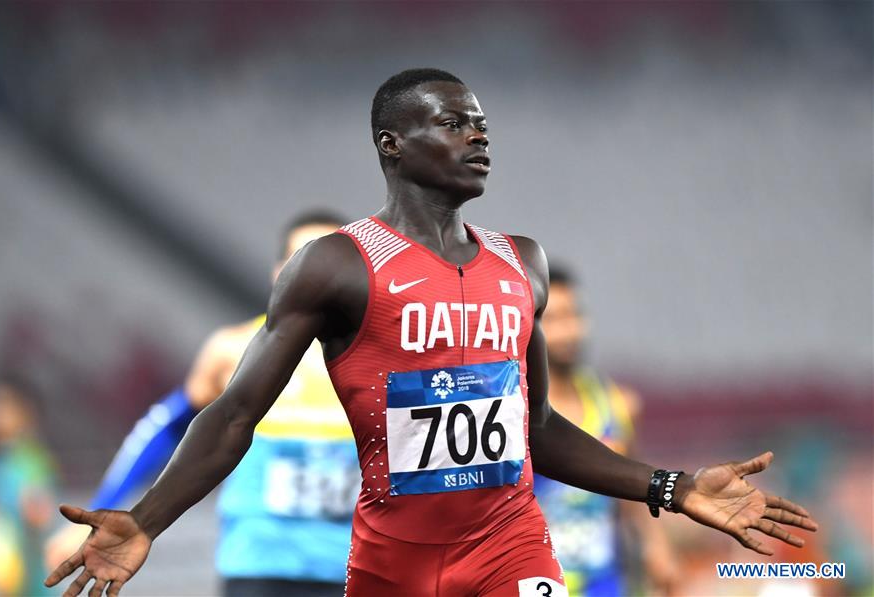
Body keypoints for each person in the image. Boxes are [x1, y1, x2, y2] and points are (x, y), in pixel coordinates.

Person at [46, 68, 818, 597]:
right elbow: (233, 414)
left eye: (482, 125)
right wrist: (145, 518)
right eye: (453, 123)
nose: (478, 137)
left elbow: (537, 427)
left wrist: (672, 487)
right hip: (392, 561)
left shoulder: (524, 262)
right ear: (392, 143)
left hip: (512, 543)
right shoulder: (337, 265)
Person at [44, 212, 352, 597]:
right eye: (304, 260)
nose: (319, 276)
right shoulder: (234, 350)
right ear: (280, 273)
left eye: (332, 261)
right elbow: (164, 428)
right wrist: (102, 509)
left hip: (355, 566)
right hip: (258, 565)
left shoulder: (390, 356)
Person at [535, 266, 677, 596]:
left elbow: (635, 486)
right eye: (553, 320)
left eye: (574, 315)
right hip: (539, 584)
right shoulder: (518, 412)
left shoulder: (619, 405)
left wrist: (657, 546)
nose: (568, 331)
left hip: (605, 584)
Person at [0, 377, 57, 596]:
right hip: (10, 583)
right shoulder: (1, 459)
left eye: (2, 405)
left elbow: (41, 512)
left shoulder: (29, 459)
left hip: (34, 582)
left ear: (25, 412)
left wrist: (33, 509)